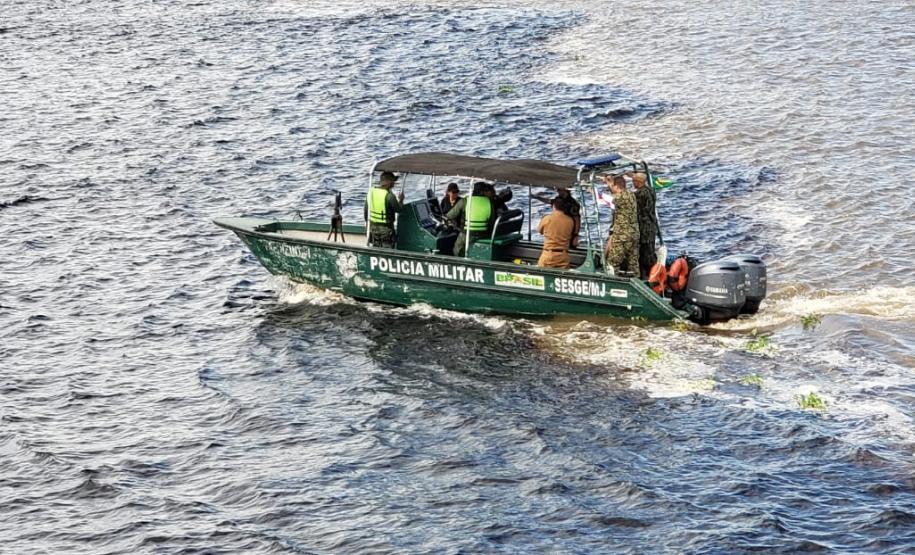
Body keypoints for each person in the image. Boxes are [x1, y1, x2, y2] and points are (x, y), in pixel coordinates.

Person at [445, 181, 494, 257]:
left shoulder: (465, 201)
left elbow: (449, 216)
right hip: (483, 234)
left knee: (456, 249)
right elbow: (491, 221)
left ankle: (458, 263)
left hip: (467, 234)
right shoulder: (489, 202)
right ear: (483, 192)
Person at [602, 175, 639, 275]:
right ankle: (636, 279)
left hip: (622, 236)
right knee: (633, 263)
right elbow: (614, 197)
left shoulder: (620, 197)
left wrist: (608, 184)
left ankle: (613, 284)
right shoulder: (631, 194)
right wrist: (610, 184)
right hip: (634, 234)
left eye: (613, 186)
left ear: (617, 186)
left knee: (612, 263)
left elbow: (608, 199)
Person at [363, 171, 404, 248]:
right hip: (386, 229)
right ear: (389, 183)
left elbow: (366, 210)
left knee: (375, 245)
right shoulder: (389, 196)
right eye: (393, 182)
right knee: (387, 248)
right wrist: (401, 200)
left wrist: (366, 223)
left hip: (372, 227)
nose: (394, 184)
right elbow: (399, 210)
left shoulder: (371, 192)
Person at [632, 172, 659, 278]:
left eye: (634, 181)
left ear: (638, 182)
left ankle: (648, 275)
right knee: (650, 250)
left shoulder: (640, 194)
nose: (633, 183)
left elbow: (629, 198)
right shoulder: (651, 190)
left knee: (644, 254)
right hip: (651, 225)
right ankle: (653, 272)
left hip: (644, 228)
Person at [537, 196, 575, 269]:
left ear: (554, 206)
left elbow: (539, 230)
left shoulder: (547, 218)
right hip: (563, 256)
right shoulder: (570, 220)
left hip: (548, 255)